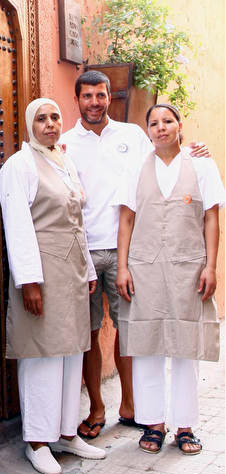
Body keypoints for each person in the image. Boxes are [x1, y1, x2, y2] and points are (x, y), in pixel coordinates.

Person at [61, 70, 207, 438]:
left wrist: (194, 151)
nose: (95, 102)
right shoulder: (65, 144)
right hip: (83, 253)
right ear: (77, 100)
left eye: (101, 95)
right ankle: (96, 408)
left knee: (131, 331)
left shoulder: (132, 136)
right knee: (88, 334)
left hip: (129, 253)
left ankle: (131, 405)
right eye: (87, 96)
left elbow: (165, 157)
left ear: (110, 97)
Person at [0, 98, 106, 474]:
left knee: (71, 352)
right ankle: (37, 441)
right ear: (31, 125)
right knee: (42, 354)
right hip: (42, 274)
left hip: (72, 274)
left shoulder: (64, 161)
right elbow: (17, 224)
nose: (49, 124)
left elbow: (78, 222)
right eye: (41, 119)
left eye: (55, 117)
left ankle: (65, 432)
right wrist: (29, 282)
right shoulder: (20, 165)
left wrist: (89, 270)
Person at [115, 103, 223, 456]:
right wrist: (122, 267)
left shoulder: (202, 165)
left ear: (179, 125)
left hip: (188, 269)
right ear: (147, 130)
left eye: (168, 121)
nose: (161, 127)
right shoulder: (136, 167)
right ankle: (153, 423)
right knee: (147, 344)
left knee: (185, 346)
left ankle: (185, 426)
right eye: (154, 123)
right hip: (144, 268)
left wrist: (211, 267)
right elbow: (126, 219)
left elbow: (211, 218)